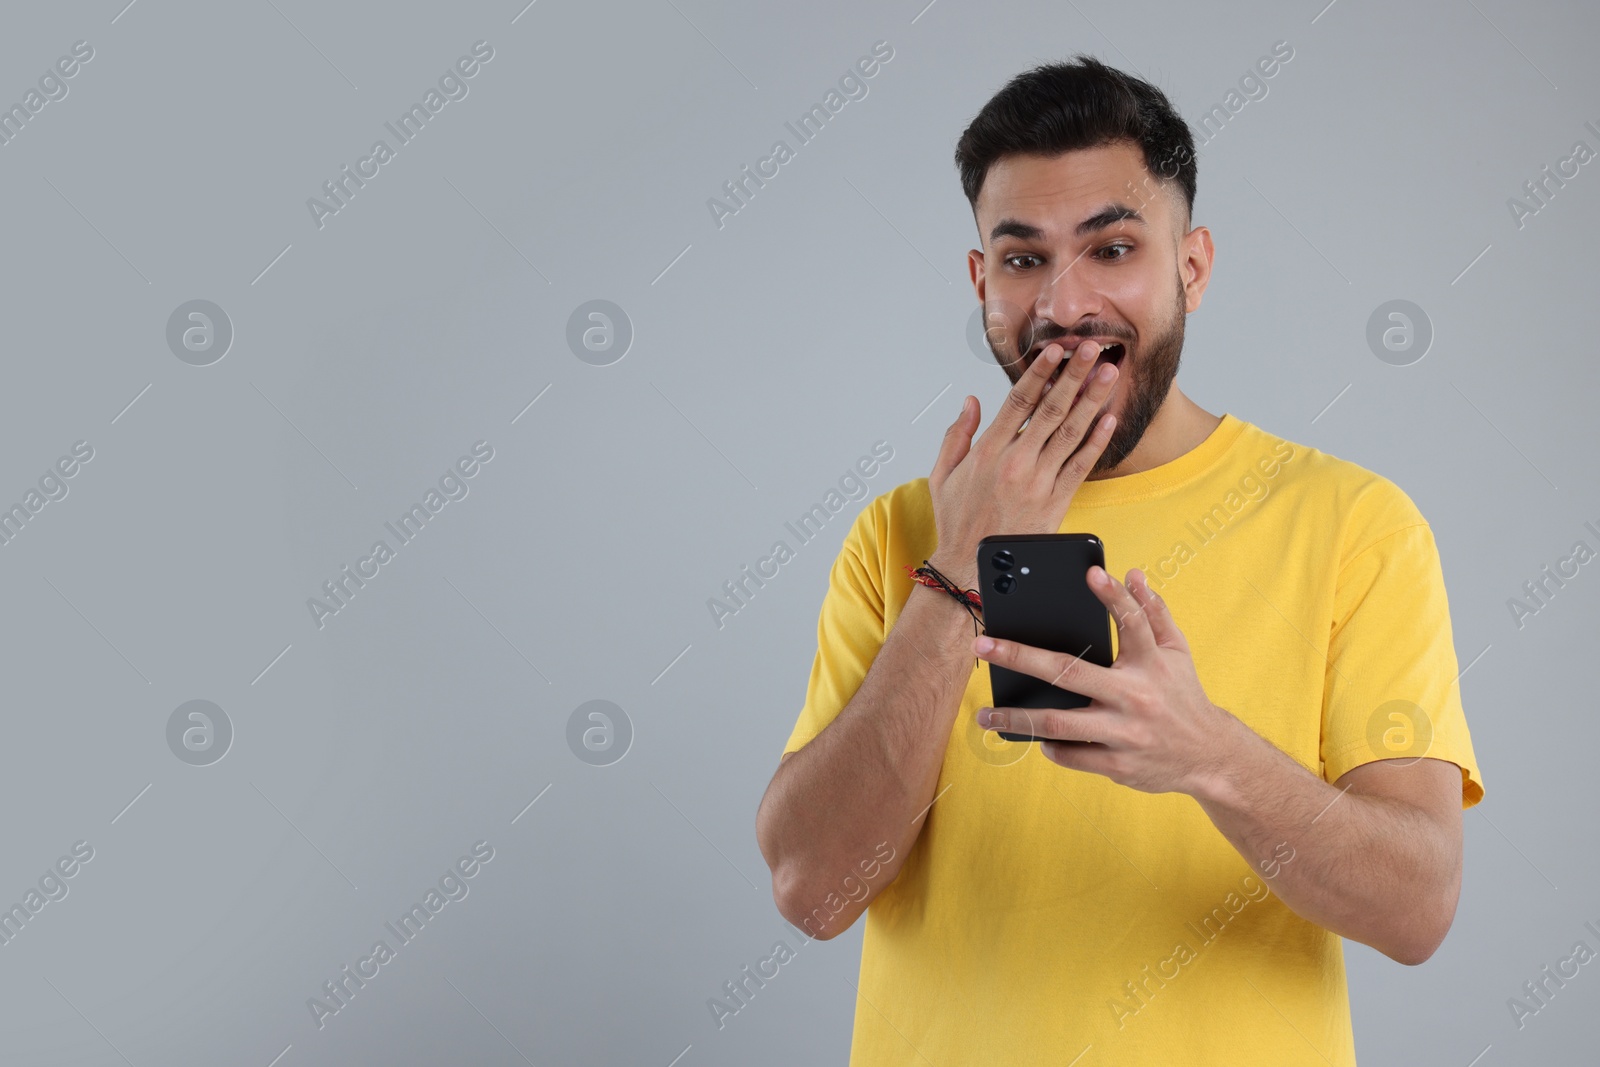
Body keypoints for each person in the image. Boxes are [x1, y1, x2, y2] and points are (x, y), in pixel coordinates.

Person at [754, 55, 1483, 1066]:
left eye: (1113, 246)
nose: (1065, 302)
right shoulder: (895, 535)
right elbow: (813, 887)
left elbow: (1416, 908)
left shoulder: (1355, 522)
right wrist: (959, 566)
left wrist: (1209, 755)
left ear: (1191, 265)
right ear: (980, 281)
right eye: (1021, 258)